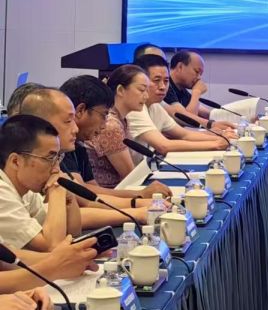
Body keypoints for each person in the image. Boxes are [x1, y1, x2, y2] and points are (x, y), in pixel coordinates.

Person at [16, 87, 152, 226]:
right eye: (68, 121)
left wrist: (140, 204)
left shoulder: (57, 159)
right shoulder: (25, 170)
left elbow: (86, 201)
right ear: (41, 124)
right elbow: (63, 222)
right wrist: (137, 211)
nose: (75, 128)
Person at [61, 75, 171, 202]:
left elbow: (91, 191)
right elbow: (82, 195)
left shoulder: (79, 143)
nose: (104, 125)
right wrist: (138, 198)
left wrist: (139, 198)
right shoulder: (61, 146)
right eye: (104, 115)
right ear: (80, 111)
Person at [0, 116, 80, 250]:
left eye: (58, 158)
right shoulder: (2, 194)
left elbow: (73, 232)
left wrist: (69, 198)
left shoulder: (26, 191)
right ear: (16, 161)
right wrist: (57, 189)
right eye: (49, 158)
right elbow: (53, 247)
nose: (56, 169)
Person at [129, 55, 229, 153]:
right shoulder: (135, 109)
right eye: (156, 80)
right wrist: (216, 144)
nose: (162, 87)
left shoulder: (156, 106)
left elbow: (185, 134)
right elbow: (163, 146)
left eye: (166, 81)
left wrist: (221, 137)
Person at [88, 65, 151, 188]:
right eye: (142, 90)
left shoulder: (121, 119)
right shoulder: (111, 125)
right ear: (120, 90)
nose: (146, 96)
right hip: (110, 193)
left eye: (147, 91)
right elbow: (131, 176)